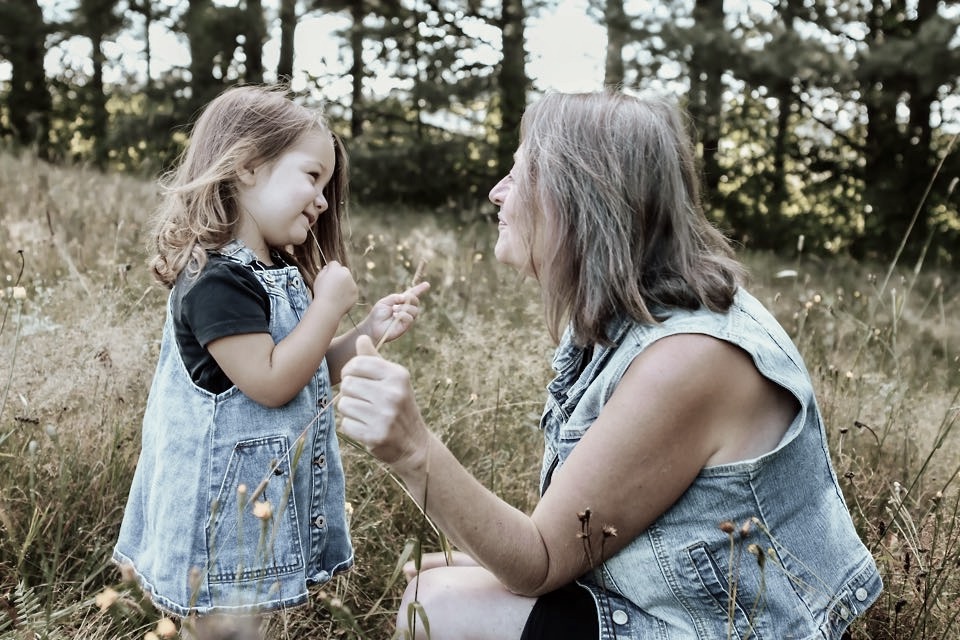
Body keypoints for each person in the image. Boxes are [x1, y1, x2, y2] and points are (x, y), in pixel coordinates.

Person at [336, 91, 882, 639]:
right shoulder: (626, 313)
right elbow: (573, 527)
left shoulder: (689, 359)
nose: (496, 192)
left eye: (519, 173)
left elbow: (541, 561)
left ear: (579, 198)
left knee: (432, 607)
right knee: (441, 575)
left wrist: (413, 450)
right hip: (669, 601)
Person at [113, 84, 429, 616]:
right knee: (221, 626)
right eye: (312, 176)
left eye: (328, 185)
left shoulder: (273, 273)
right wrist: (328, 306)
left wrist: (366, 333)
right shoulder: (216, 280)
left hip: (255, 504)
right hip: (218, 518)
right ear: (248, 166)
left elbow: (304, 372)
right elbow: (271, 383)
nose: (324, 200)